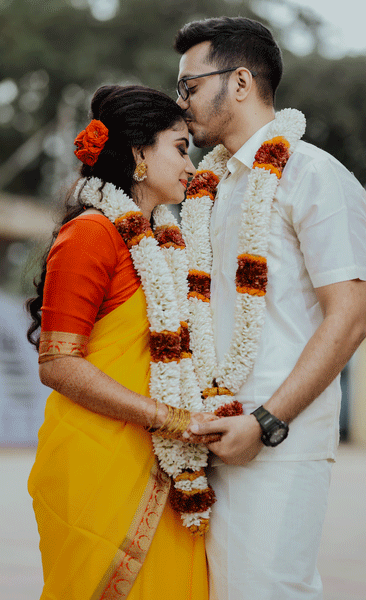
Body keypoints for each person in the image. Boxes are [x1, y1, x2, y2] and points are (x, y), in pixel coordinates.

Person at [174, 17, 366, 600]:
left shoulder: (314, 175)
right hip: (207, 433)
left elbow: (350, 317)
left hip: (276, 440)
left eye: (188, 86)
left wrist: (265, 423)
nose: (180, 101)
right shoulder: (206, 188)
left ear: (239, 82)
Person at [26, 84, 220, 600]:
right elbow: (57, 363)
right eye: (180, 147)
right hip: (100, 463)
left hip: (165, 463)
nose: (191, 165)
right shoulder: (92, 234)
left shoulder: (162, 242)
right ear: (139, 153)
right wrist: (171, 419)